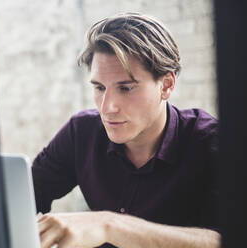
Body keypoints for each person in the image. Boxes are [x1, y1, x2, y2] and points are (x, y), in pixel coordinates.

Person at [32, 13, 220, 248]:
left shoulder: (213, 143)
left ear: (167, 85)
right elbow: (21, 198)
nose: (107, 108)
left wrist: (109, 225)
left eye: (126, 88)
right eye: (99, 88)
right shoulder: (81, 132)